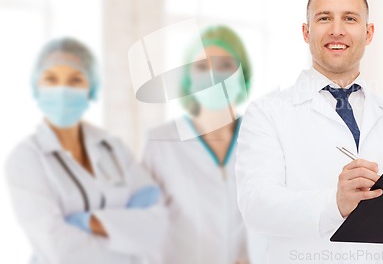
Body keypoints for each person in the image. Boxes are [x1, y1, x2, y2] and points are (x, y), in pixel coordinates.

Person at [235, 0, 383, 264]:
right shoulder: (267, 113)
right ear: (306, 32)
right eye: (324, 18)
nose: (336, 30)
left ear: (368, 33)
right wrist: (335, 204)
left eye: (350, 18)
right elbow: (256, 205)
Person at [4, 37, 168, 264]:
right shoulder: (26, 158)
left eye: (75, 80)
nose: (62, 90)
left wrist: (85, 222)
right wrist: (126, 238)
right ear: (36, 86)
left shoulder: (113, 147)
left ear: (91, 87)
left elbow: (155, 227)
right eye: (51, 79)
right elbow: (58, 250)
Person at [142, 25, 255, 264]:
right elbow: (145, 231)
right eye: (202, 67)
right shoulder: (160, 143)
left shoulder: (261, 139)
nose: (214, 76)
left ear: (242, 74)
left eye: (225, 65)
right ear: (187, 80)